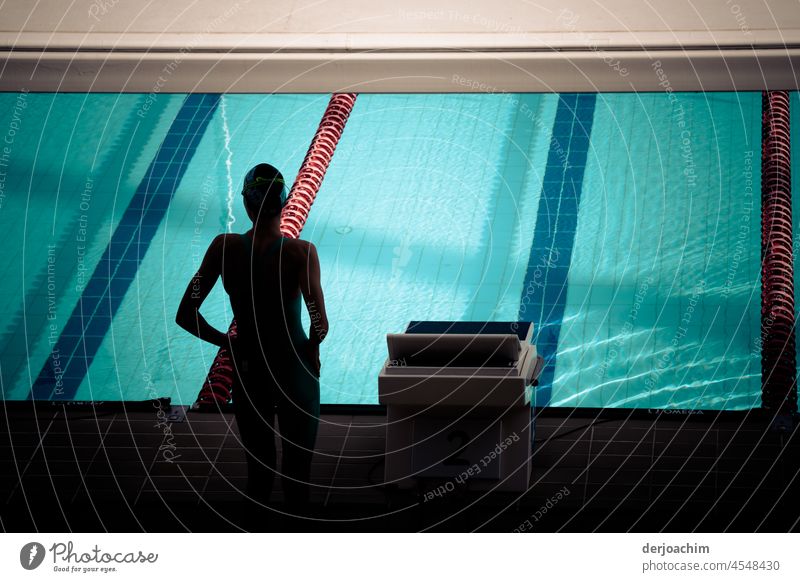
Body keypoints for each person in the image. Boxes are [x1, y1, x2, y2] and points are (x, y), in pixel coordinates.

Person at [175, 163, 328, 522]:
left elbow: (187, 313)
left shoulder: (223, 249)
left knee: (258, 477)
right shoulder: (301, 254)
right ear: (286, 201)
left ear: (247, 205)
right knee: (297, 479)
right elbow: (319, 323)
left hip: (249, 371)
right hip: (295, 372)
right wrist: (312, 348)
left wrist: (226, 344)